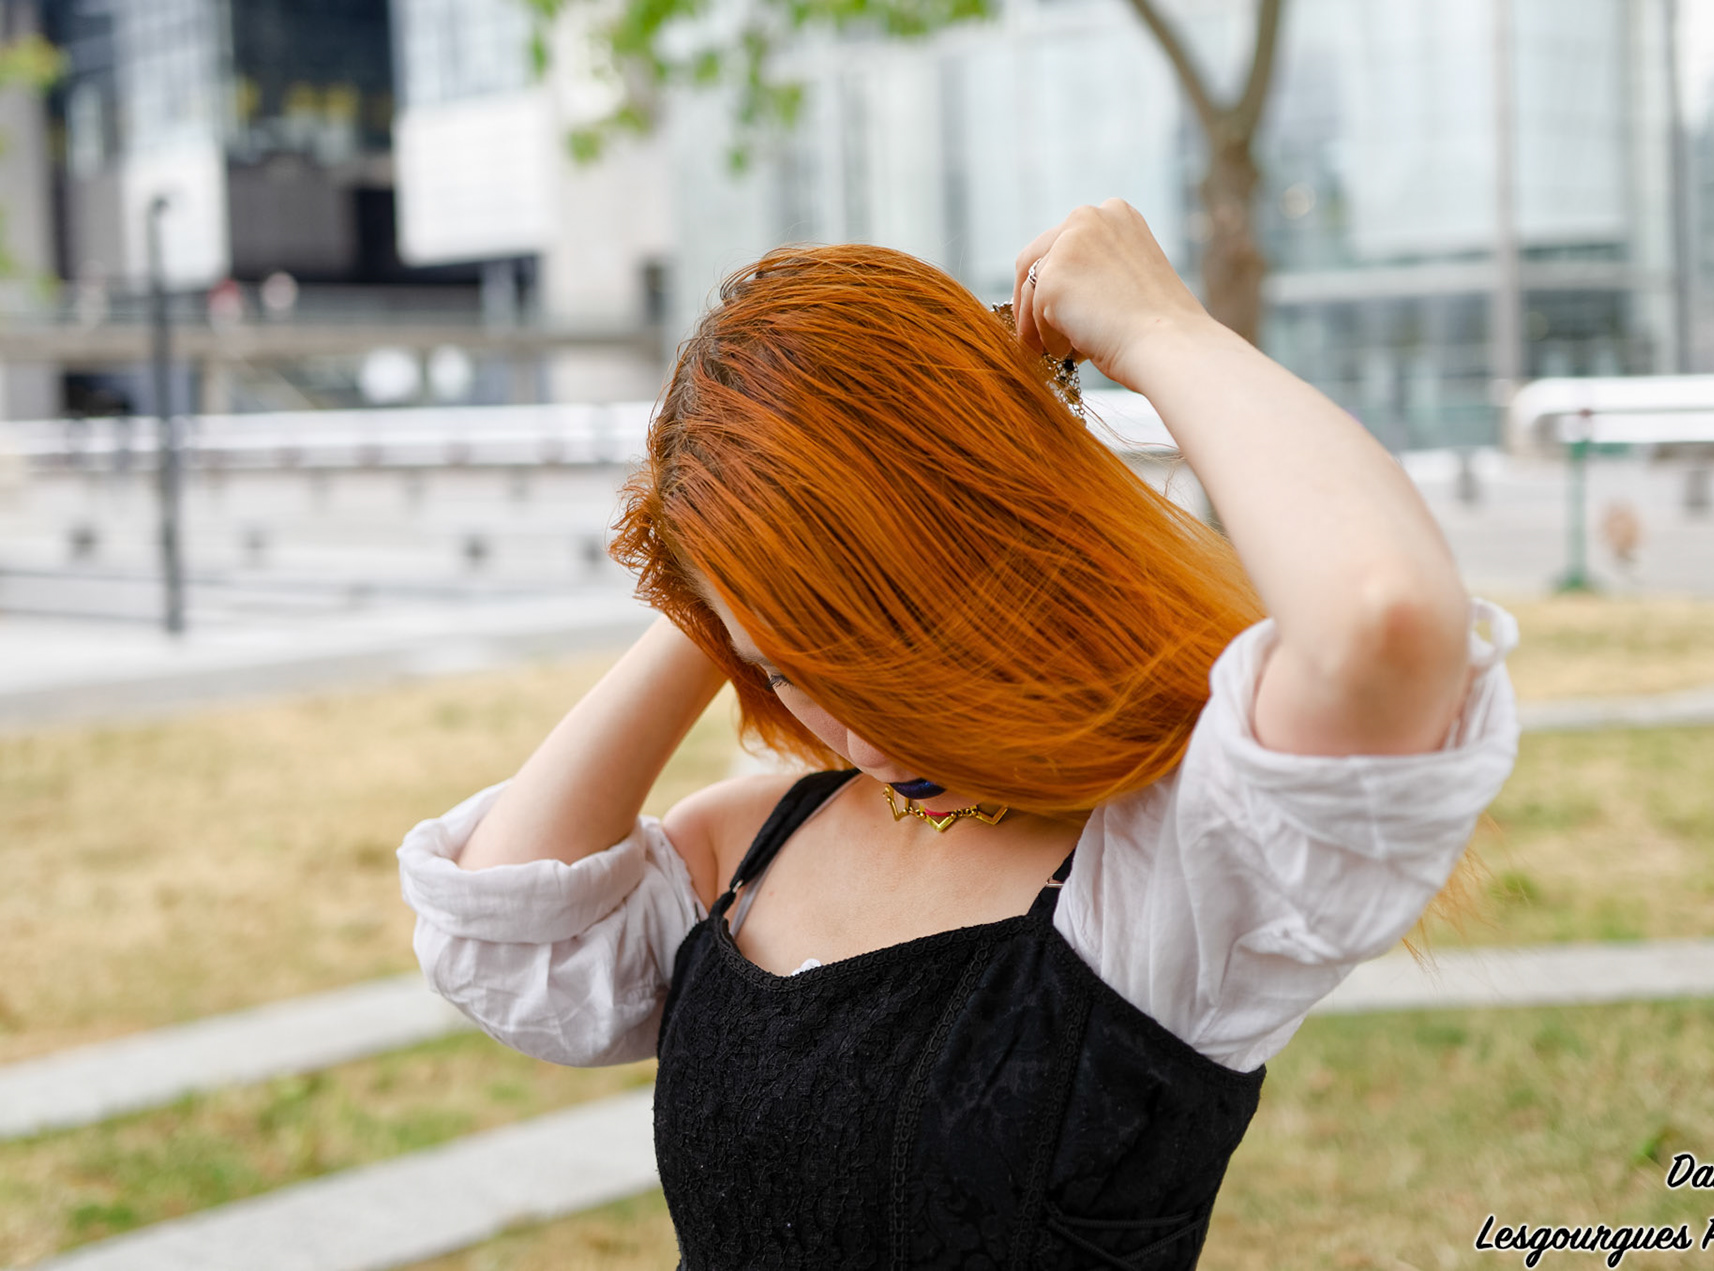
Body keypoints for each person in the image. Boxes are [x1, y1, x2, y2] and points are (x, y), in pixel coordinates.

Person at [397, 200, 1520, 1268]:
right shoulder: (757, 842)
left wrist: (1160, 329)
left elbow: (1382, 622)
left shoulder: (1160, 883)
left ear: (993, 544)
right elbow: (502, 927)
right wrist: (733, 539)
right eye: (782, 668)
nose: (851, 730)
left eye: (875, 645)